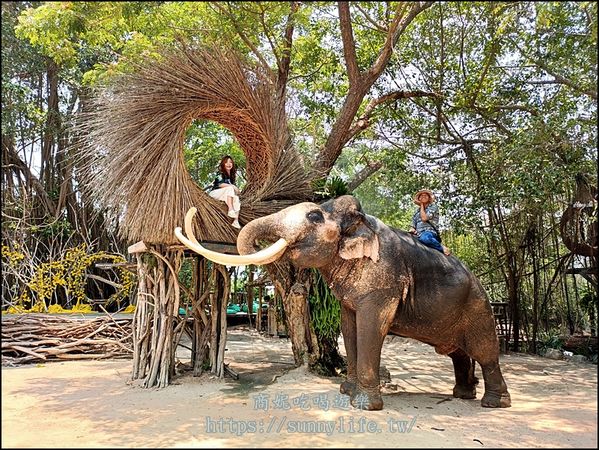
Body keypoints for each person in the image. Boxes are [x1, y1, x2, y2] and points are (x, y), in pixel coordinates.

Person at [408, 189, 450, 255]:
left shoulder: (433, 207)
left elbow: (424, 218)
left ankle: (441, 247)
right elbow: (413, 224)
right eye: (421, 196)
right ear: (419, 199)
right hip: (418, 234)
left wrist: (421, 204)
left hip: (429, 232)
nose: (423, 196)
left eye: (425, 195)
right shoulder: (416, 211)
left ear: (429, 198)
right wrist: (412, 229)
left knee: (425, 239)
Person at [209, 155, 241, 229]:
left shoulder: (232, 176)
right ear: (223, 164)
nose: (229, 164)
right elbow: (219, 184)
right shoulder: (220, 173)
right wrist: (233, 186)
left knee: (236, 198)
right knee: (230, 188)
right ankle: (230, 209)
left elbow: (234, 191)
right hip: (215, 193)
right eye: (226, 162)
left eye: (230, 162)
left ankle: (236, 221)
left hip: (224, 194)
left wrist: (237, 190)